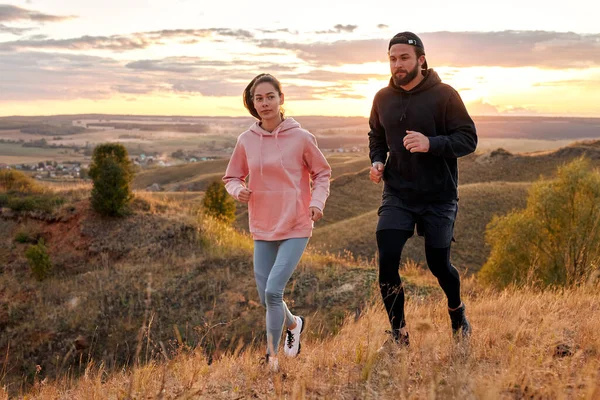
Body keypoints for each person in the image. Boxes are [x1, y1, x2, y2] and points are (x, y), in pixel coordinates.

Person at [368, 32, 477, 347]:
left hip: (438, 197)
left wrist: (431, 143)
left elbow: (468, 139)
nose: (397, 65)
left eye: (404, 57)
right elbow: (376, 135)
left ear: (421, 59)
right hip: (398, 194)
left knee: (438, 264)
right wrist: (377, 161)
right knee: (387, 257)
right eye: (392, 58)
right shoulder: (382, 98)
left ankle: (456, 310)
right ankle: (399, 334)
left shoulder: (444, 95)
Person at [223, 73, 331, 371]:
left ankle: (270, 359)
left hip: (296, 223)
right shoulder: (246, 140)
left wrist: (316, 202)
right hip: (262, 225)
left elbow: (322, 173)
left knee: (273, 292)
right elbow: (231, 177)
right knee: (265, 295)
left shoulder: (301, 137)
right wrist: (237, 190)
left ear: (281, 99)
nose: (265, 103)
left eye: (271, 96)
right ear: (253, 103)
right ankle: (294, 324)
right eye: (259, 98)